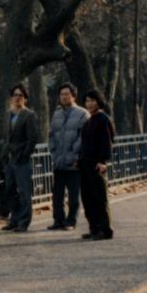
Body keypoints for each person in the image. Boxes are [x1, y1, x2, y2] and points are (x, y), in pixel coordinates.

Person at [48, 83, 90, 231]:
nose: (64, 97)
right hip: (59, 160)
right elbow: (51, 134)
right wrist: (52, 149)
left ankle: (71, 221)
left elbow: (83, 137)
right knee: (57, 194)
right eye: (61, 94)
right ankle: (58, 220)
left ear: (73, 95)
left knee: (73, 195)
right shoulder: (56, 114)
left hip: (74, 161)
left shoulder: (83, 114)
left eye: (67, 94)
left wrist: (74, 152)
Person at [1, 84, 40, 233]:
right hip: (10, 158)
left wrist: (24, 155)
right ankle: (14, 219)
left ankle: (24, 221)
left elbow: (32, 138)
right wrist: (4, 155)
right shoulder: (8, 114)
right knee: (10, 190)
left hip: (22, 158)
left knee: (24, 191)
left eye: (20, 95)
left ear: (25, 98)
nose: (17, 97)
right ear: (11, 98)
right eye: (15, 95)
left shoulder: (29, 115)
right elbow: (6, 137)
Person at [79, 89, 115, 241]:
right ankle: (94, 227)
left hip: (97, 164)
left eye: (93, 100)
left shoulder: (103, 119)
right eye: (87, 101)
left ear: (99, 102)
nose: (90, 103)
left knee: (99, 198)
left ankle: (105, 229)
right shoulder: (88, 121)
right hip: (85, 164)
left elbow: (107, 142)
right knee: (88, 198)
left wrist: (103, 161)